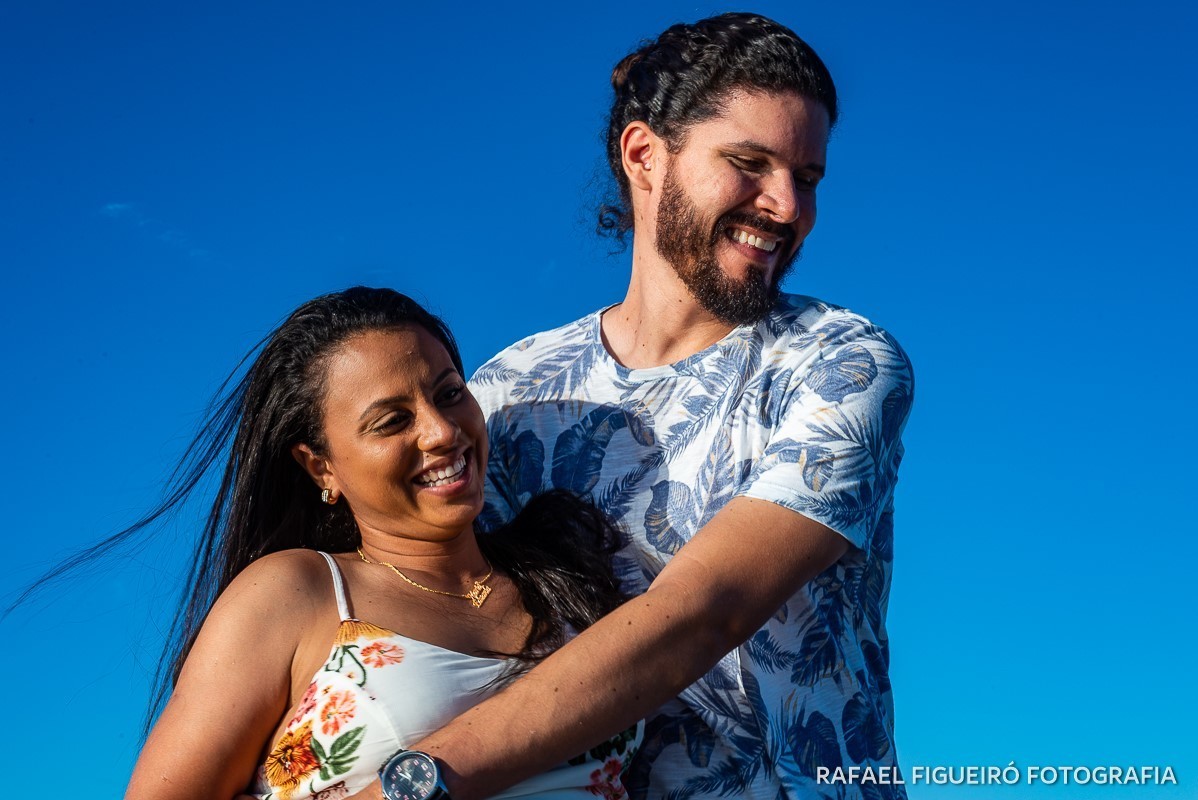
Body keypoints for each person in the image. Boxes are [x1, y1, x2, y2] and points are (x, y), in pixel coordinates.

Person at [353, 12, 915, 800]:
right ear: (646, 156)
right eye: (749, 163)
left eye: (808, 177)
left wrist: (411, 785)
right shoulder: (509, 395)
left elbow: (706, 610)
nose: (786, 206)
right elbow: (421, 611)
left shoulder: (841, 361)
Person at [107, 287, 641, 799]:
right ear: (321, 467)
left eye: (449, 394)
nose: (441, 431)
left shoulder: (566, 574)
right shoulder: (294, 593)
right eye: (391, 422)